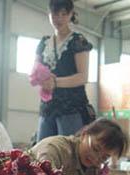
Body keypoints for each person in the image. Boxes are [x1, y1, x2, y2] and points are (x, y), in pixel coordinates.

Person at [35, 0, 93, 143]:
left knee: (69, 153)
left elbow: (83, 76)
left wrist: (55, 82)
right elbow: (35, 70)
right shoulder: (44, 42)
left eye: (64, 14)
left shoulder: (77, 41)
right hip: (47, 107)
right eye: (55, 14)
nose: (59, 19)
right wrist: (40, 79)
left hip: (71, 107)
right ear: (49, 14)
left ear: (71, 14)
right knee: (42, 153)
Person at [29, 118, 130, 175]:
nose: (96, 158)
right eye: (95, 149)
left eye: (104, 157)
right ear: (84, 134)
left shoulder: (94, 168)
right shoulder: (55, 149)